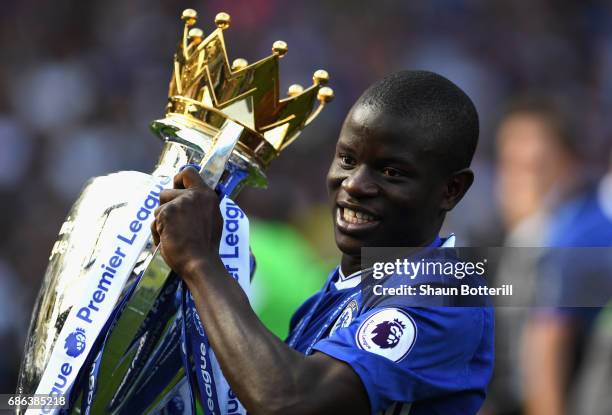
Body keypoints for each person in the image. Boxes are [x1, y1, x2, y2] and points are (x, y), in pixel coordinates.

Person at [151, 70, 494, 415]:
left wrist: (200, 262)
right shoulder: (334, 293)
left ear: (451, 190)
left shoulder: (446, 292)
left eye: (391, 172)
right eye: (347, 159)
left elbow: (293, 403)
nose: (355, 185)